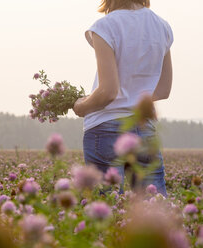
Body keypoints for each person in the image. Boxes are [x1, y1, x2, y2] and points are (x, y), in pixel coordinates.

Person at [73, 0, 173, 197]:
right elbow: (163, 90)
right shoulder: (162, 27)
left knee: (106, 210)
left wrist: (81, 106)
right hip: (145, 130)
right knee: (154, 212)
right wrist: (135, 101)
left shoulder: (105, 26)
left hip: (105, 128)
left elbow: (108, 92)